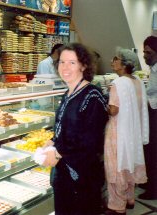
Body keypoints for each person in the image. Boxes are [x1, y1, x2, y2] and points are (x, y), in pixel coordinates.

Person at [40, 43, 109, 214]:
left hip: (82, 177)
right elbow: (65, 128)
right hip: (64, 175)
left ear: (83, 65)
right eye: (62, 62)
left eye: (72, 62)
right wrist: (52, 140)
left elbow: (90, 140)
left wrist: (57, 152)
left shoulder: (92, 95)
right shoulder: (68, 93)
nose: (65, 67)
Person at [104, 48, 149, 215]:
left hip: (118, 131)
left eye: (115, 59)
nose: (112, 62)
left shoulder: (118, 83)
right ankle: (129, 198)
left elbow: (114, 110)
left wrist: (103, 104)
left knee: (116, 166)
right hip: (133, 132)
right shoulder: (136, 80)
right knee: (129, 163)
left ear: (123, 64)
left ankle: (117, 206)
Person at [139, 36, 157, 200]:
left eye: (148, 52)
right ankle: (149, 181)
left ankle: (154, 189)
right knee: (149, 149)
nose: (145, 56)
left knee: (153, 152)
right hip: (151, 113)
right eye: (144, 51)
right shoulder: (152, 69)